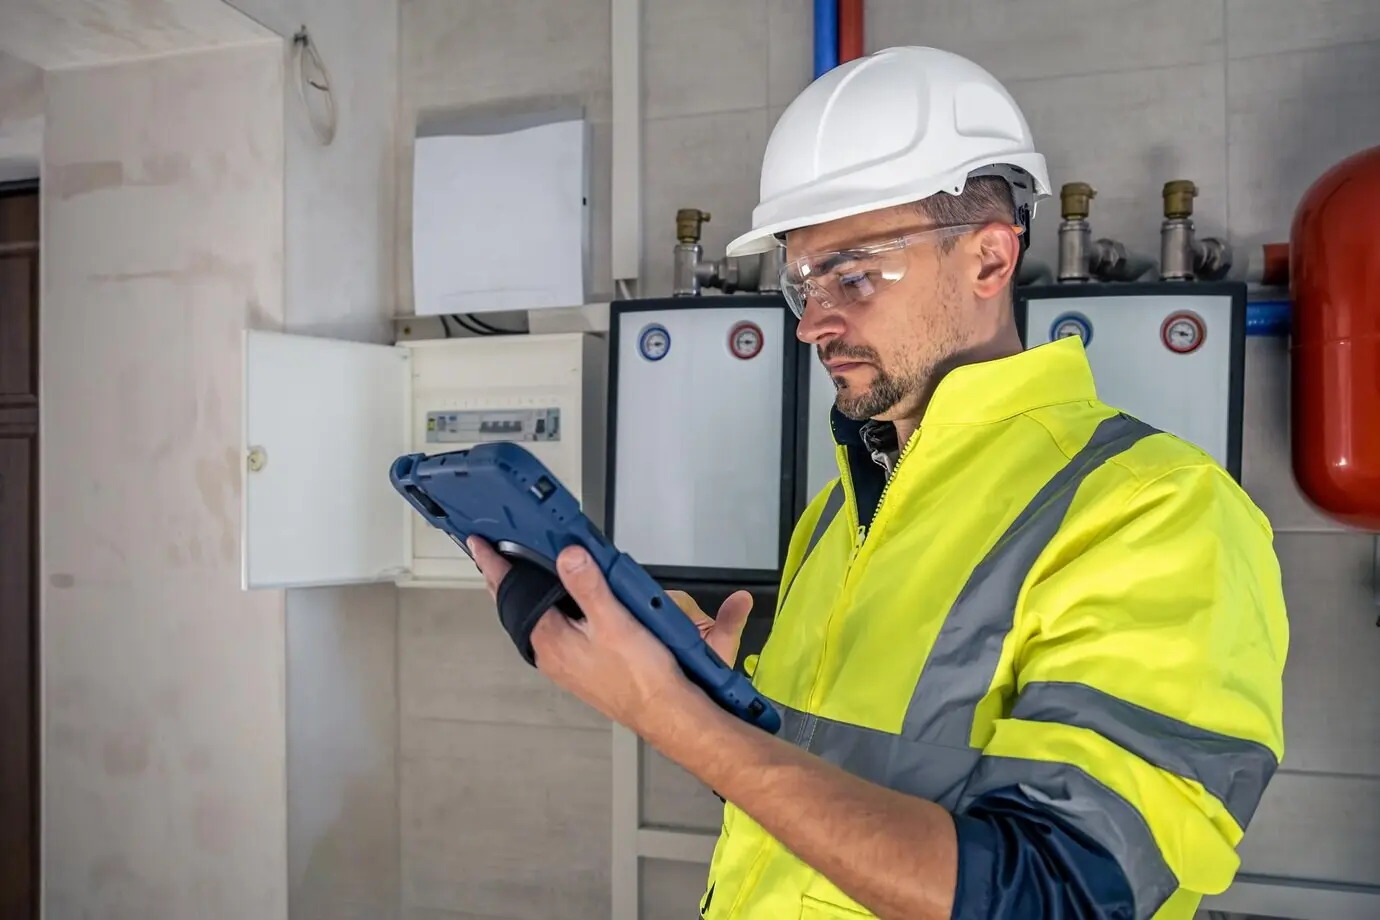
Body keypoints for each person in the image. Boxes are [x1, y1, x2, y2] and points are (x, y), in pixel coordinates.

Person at [468, 45, 1289, 920]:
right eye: (802, 282)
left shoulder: (1159, 512)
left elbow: (1057, 895)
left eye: (854, 274)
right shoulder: (840, 510)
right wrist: (713, 699)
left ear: (988, 259)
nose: (813, 322)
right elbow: (814, 808)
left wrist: (681, 721)